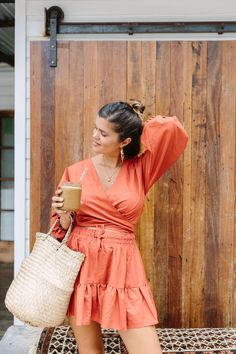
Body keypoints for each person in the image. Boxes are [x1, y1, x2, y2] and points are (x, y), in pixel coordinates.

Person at [51, 100, 188, 354]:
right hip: (82, 264)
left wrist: (137, 124)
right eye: (95, 129)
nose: (95, 136)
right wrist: (62, 214)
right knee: (90, 352)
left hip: (122, 266)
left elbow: (173, 131)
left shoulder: (142, 169)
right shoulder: (75, 172)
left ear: (124, 141)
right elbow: (62, 228)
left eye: (103, 133)